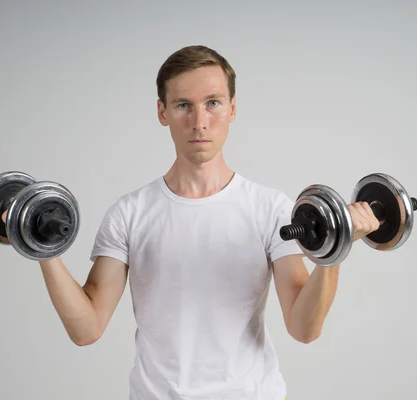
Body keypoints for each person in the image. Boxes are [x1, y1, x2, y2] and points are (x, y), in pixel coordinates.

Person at [30, 45, 380, 400]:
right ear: (162, 112)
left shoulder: (270, 208)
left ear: (232, 108)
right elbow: (86, 329)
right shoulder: (129, 213)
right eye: (184, 105)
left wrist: (335, 251)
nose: (199, 121)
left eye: (213, 102)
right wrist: (41, 247)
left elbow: (304, 328)